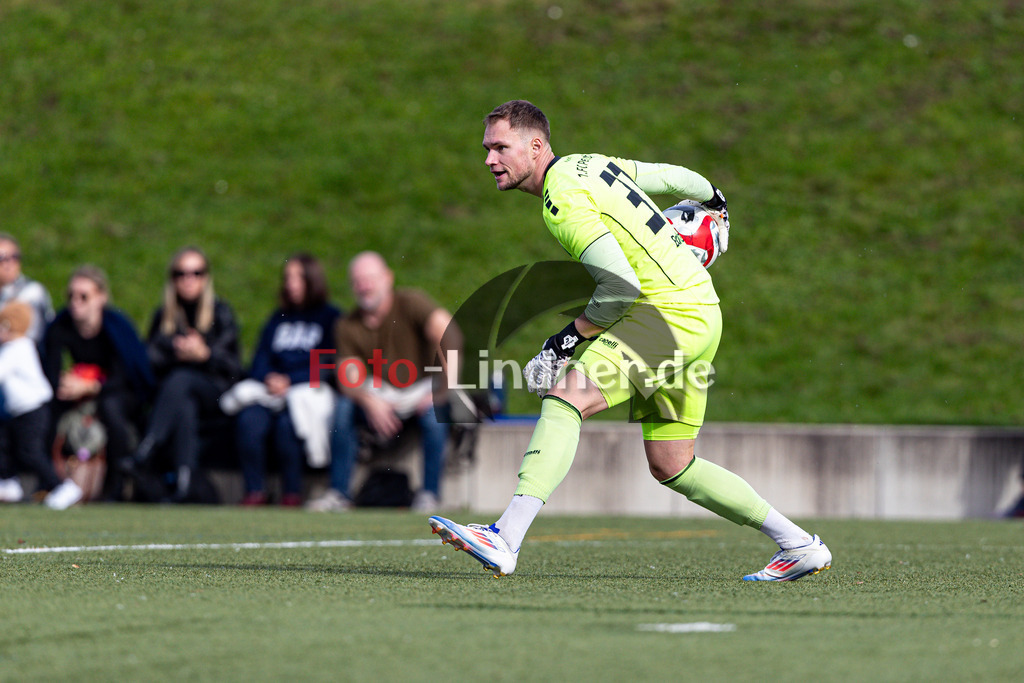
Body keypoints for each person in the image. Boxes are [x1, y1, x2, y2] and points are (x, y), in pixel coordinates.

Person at [428, 100, 832, 581]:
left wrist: (561, 343)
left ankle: (505, 537)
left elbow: (620, 287)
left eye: (500, 147)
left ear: (536, 147)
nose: (490, 159)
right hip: (702, 314)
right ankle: (799, 544)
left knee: (565, 399)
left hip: (666, 317)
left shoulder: (561, 199)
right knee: (672, 464)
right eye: (486, 149)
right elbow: (677, 177)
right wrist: (716, 200)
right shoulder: (591, 164)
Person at [306, 251, 461, 513]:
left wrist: (445, 387)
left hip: (422, 386)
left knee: (436, 414)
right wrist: (369, 402)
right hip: (379, 390)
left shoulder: (412, 302)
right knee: (344, 407)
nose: (365, 286)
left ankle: (430, 494)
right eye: (358, 280)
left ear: (388, 278)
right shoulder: (346, 324)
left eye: (370, 278)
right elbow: (348, 377)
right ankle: (339, 492)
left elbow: (449, 333)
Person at [128, 246, 242, 502]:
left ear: (205, 278)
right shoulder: (164, 317)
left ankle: (147, 449)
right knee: (183, 402)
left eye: (196, 273)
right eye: (181, 273)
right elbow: (148, 360)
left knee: (181, 380)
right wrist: (176, 352)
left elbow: (235, 368)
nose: (188, 279)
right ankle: (184, 482)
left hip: (215, 395)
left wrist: (206, 355)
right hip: (177, 400)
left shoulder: (221, 314)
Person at [232, 253, 341, 507]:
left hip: (303, 391)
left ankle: (291, 492)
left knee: (287, 425)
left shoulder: (329, 318)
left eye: (298, 277)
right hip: (270, 391)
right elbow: (260, 358)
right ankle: (255, 491)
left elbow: (329, 362)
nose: (291, 283)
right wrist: (269, 378)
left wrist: (291, 380)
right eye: (288, 277)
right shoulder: (277, 318)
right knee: (250, 420)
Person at [42, 265, 154, 501]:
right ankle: (50, 481)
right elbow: (49, 369)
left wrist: (91, 386)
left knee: (112, 408)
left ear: (101, 298)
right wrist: (65, 383)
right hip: (81, 390)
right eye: (71, 296)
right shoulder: (61, 325)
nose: (76, 302)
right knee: (47, 408)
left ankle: (116, 485)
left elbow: (128, 374)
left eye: (84, 296)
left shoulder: (116, 326)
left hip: (117, 391)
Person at [0, 301, 82, 509]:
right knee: (6, 444)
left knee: (31, 452)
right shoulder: (18, 347)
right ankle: (9, 482)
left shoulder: (16, 348)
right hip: (18, 412)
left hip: (32, 410)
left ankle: (62, 487)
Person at [0, 233, 54, 346]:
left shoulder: (32, 292)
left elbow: (34, 335)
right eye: (2, 258)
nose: (9, 264)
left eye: (15, 257)